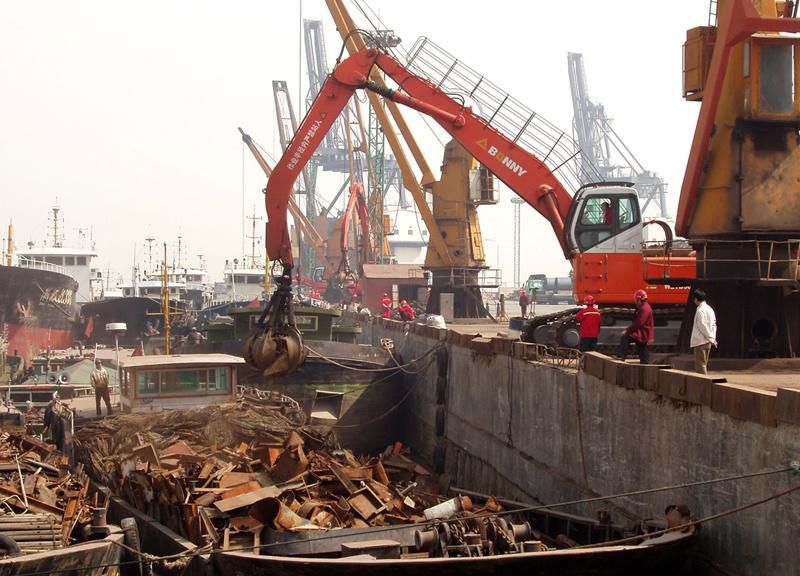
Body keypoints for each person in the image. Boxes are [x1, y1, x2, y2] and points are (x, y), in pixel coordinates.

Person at [618, 289, 654, 363]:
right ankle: (645, 363)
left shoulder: (644, 308)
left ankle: (622, 356)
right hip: (643, 332)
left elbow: (639, 323)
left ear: (638, 299)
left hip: (642, 332)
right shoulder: (644, 307)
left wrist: (627, 330)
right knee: (641, 347)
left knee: (625, 337)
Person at [690, 289, 717, 374]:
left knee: (700, 366)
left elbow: (702, 326)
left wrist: (711, 338)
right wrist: (712, 338)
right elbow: (714, 325)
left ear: (696, 299)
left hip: (700, 342)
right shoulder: (710, 309)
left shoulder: (700, 310)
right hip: (708, 342)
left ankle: (702, 385)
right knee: (704, 364)